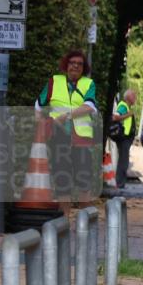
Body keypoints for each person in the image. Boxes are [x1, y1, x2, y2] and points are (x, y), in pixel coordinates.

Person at [35, 50, 100, 207]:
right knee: (62, 182)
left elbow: (89, 107)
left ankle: (85, 223)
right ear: (66, 65)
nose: (75, 66)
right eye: (72, 63)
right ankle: (64, 223)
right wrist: (41, 125)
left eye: (79, 64)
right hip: (59, 139)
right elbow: (38, 105)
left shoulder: (88, 84)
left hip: (81, 140)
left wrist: (67, 116)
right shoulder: (54, 82)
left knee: (84, 182)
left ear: (83, 68)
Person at [113, 89, 137, 188]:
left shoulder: (126, 106)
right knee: (123, 161)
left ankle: (120, 183)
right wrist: (129, 114)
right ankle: (120, 183)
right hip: (123, 138)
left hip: (125, 138)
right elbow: (115, 117)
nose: (135, 98)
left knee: (124, 160)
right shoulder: (123, 106)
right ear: (128, 97)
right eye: (133, 96)